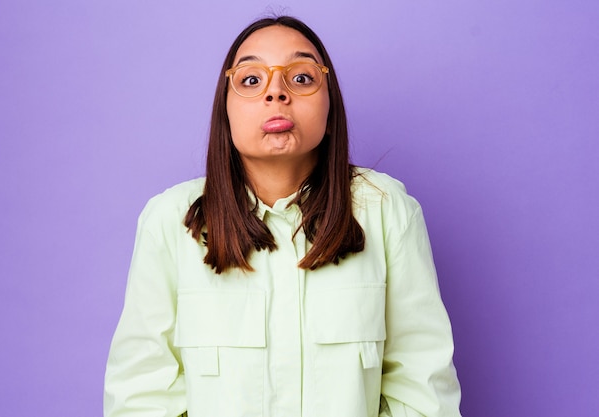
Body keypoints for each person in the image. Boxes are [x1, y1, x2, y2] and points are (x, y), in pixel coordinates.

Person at [104, 15, 462, 417]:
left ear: (331, 106)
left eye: (302, 78)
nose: (276, 92)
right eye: (252, 80)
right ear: (225, 109)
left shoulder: (387, 210)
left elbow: (422, 393)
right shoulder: (169, 221)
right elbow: (141, 397)